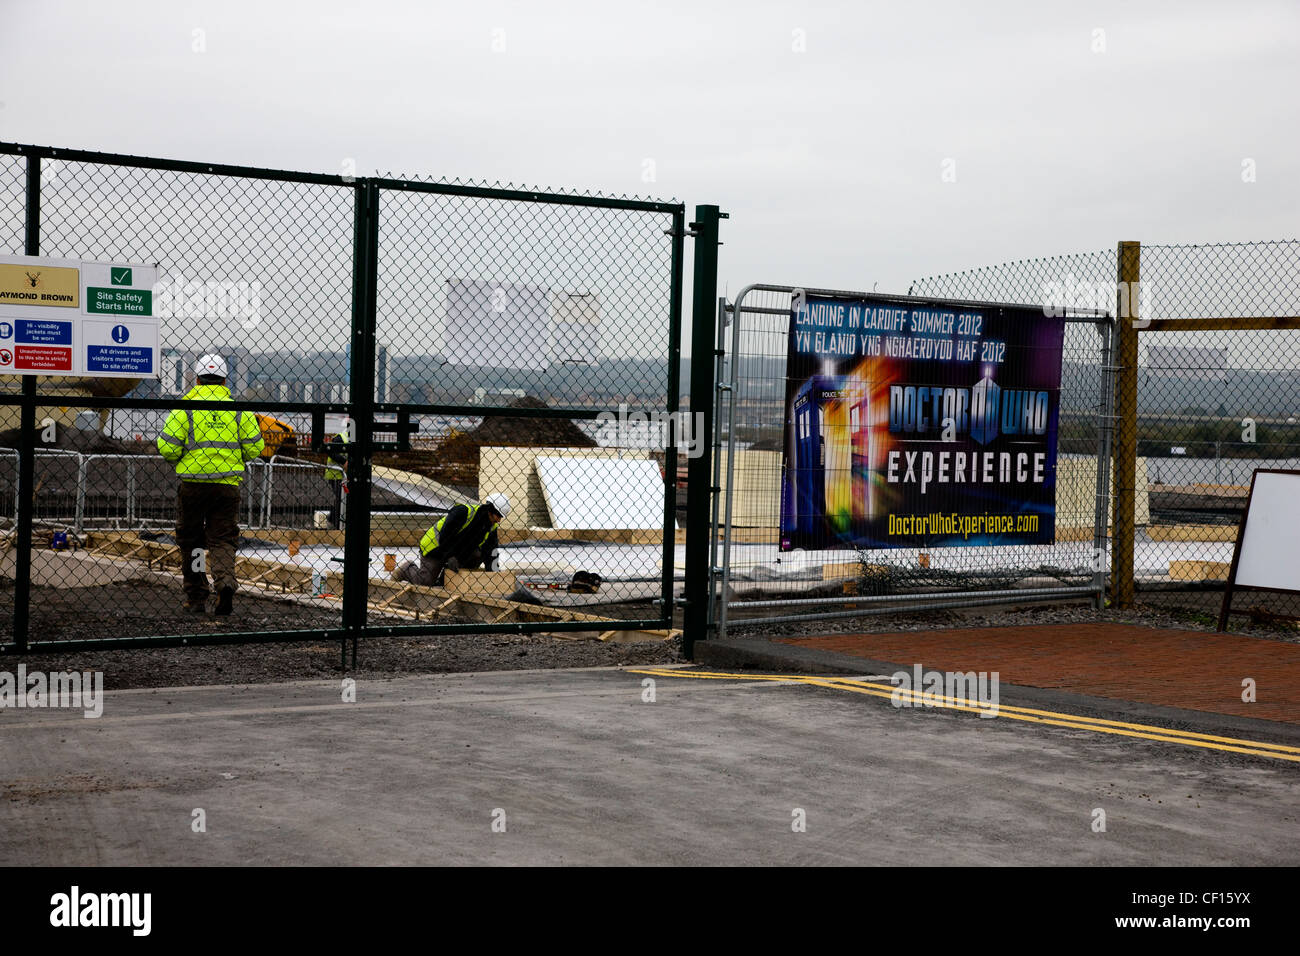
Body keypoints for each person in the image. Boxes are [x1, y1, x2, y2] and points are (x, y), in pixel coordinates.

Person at [157, 354, 265, 615]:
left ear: (196, 379)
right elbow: (255, 448)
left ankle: (196, 596)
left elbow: (168, 448)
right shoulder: (238, 410)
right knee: (223, 539)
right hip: (226, 485)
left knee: (192, 540)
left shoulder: (185, 408)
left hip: (193, 485)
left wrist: (189, 456)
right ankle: (225, 583)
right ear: (225, 381)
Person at [392, 493, 511, 587]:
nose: (499, 520)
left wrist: (494, 574)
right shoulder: (463, 512)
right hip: (436, 548)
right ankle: (407, 569)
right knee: (425, 582)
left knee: (477, 554)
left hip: (456, 552)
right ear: (490, 510)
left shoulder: (491, 526)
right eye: (498, 516)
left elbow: (491, 552)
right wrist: (450, 556)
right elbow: (445, 536)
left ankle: (444, 580)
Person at [324, 425, 348, 529]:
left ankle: (335, 521)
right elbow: (330, 451)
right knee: (341, 499)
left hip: (343, 475)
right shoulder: (341, 438)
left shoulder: (354, 439)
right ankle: (334, 521)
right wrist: (344, 461)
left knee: (342, 499)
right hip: (334, 474)